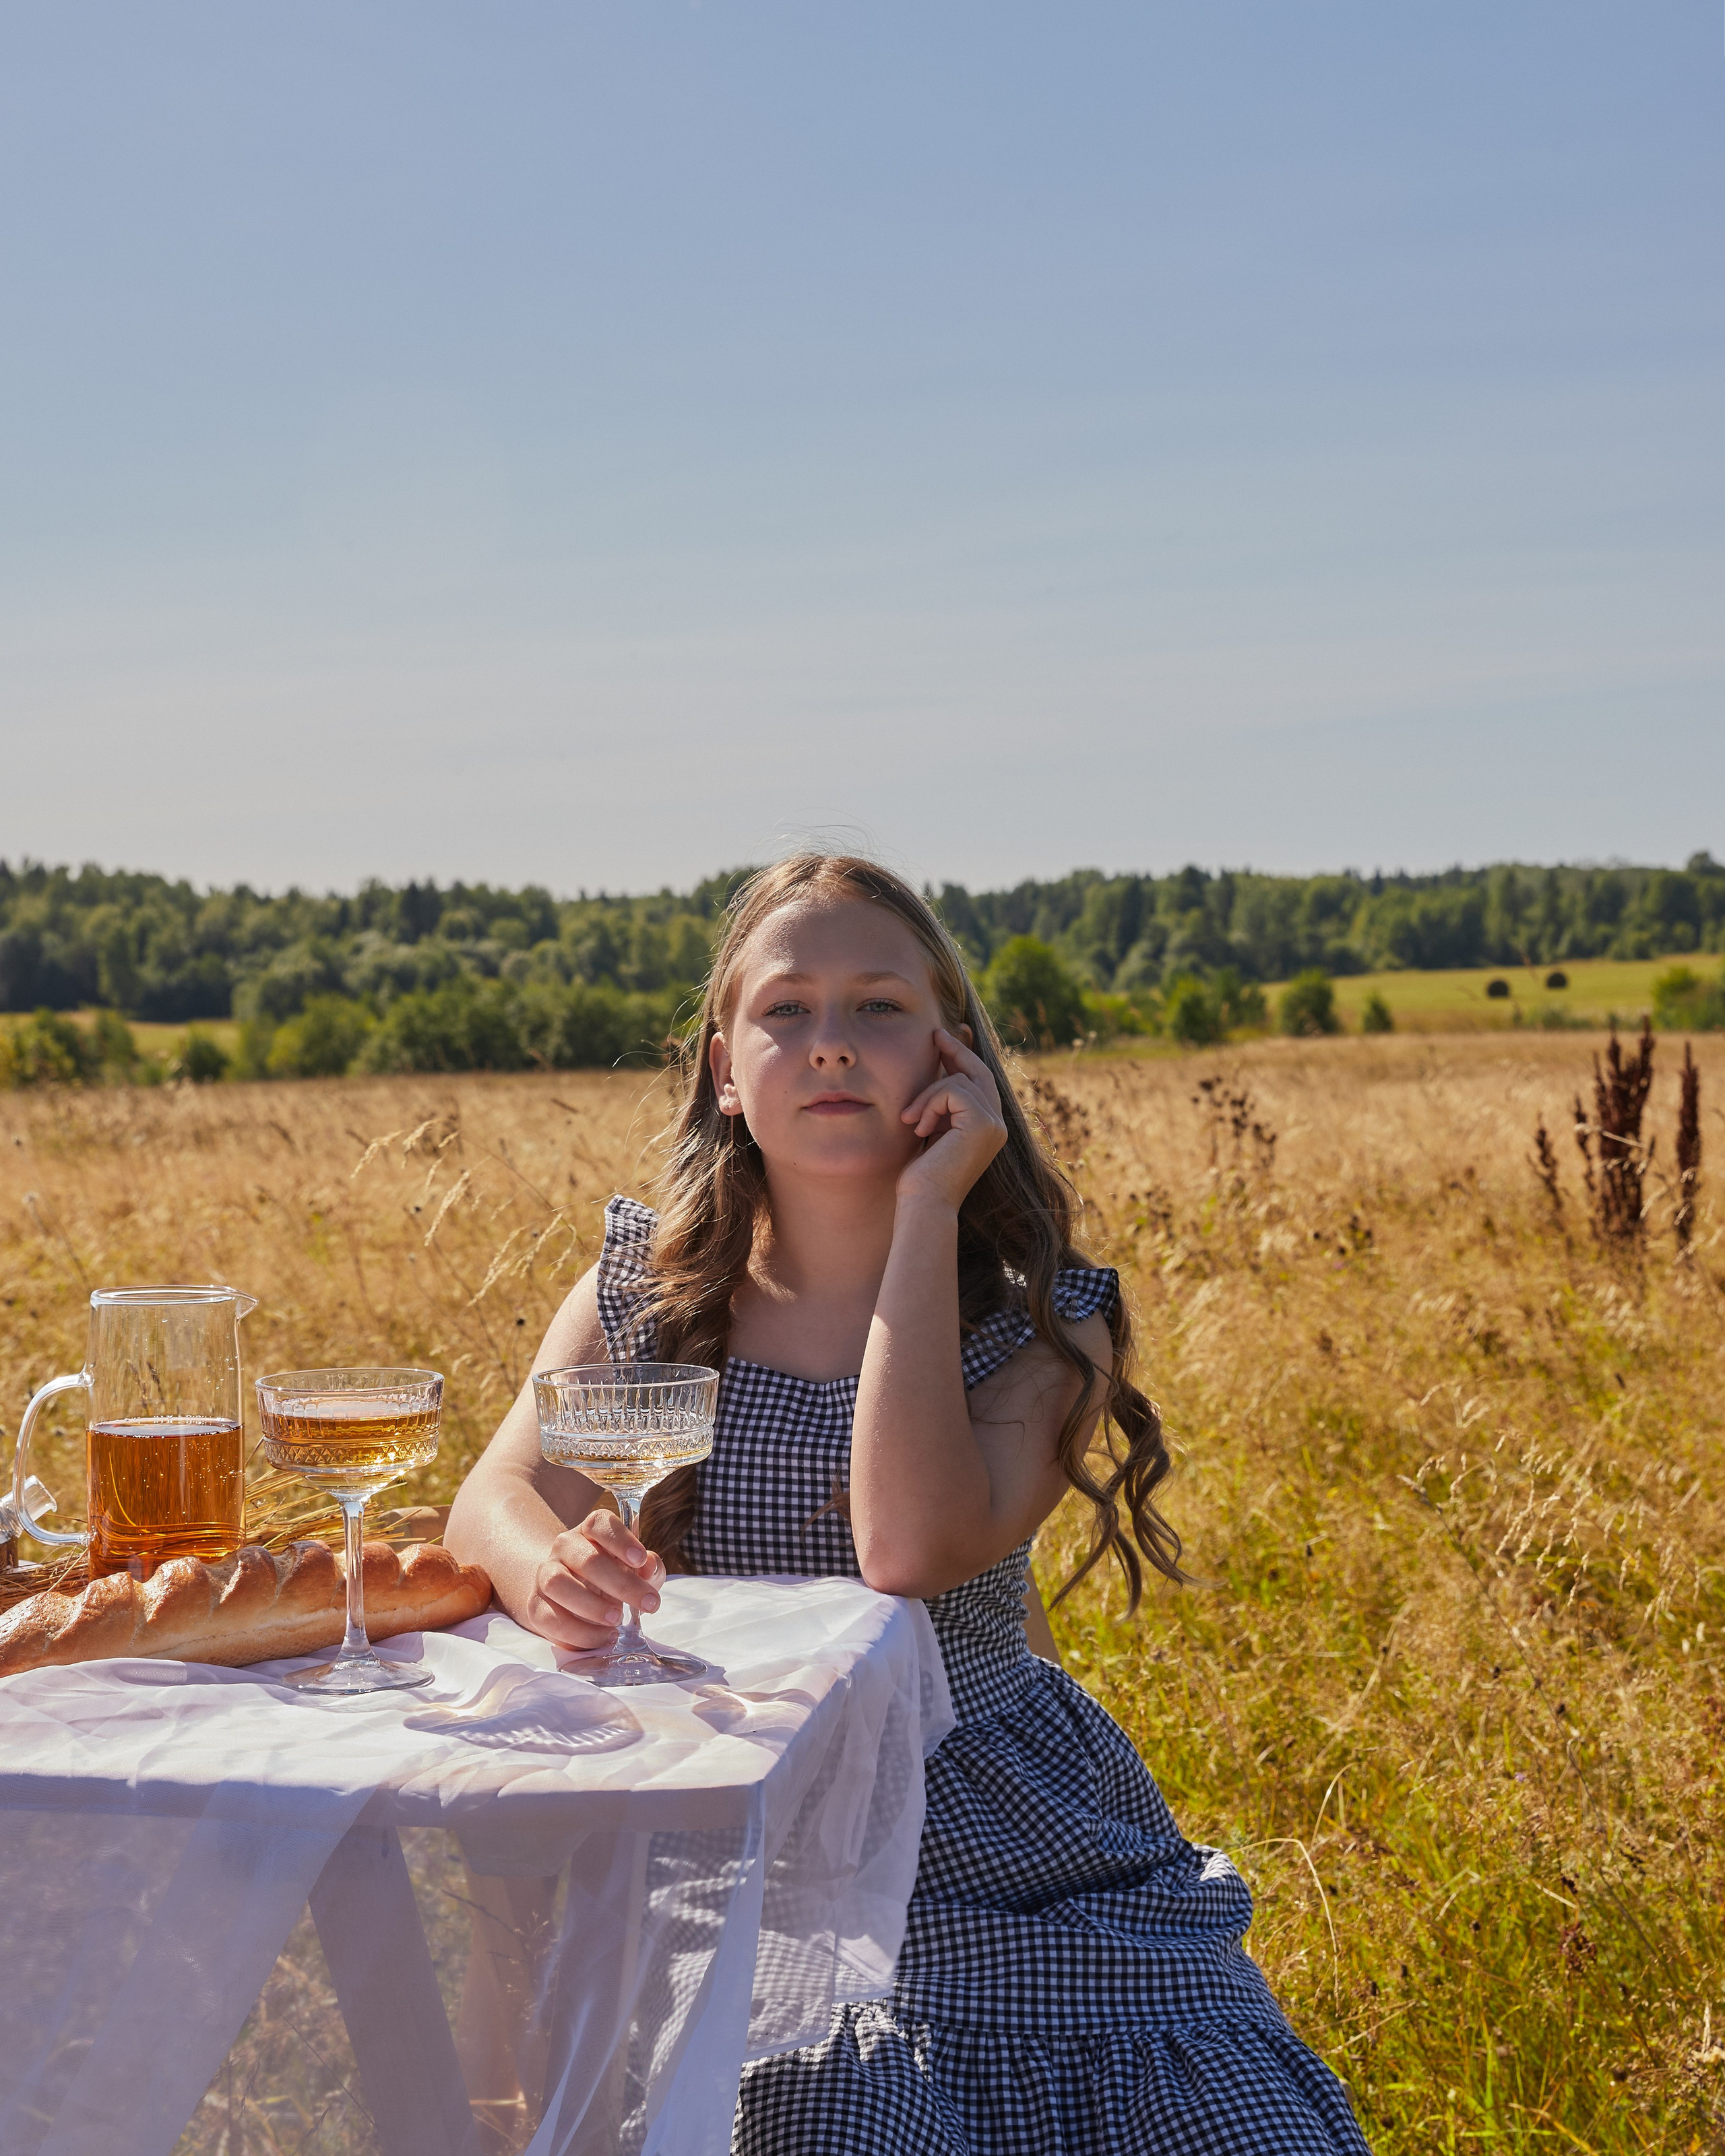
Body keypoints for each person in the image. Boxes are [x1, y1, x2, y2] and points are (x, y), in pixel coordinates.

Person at [446, 854, 1373, 2156]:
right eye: (786, 1012)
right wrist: (549, 1570)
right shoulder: (642, 1301)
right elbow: (489, 1498)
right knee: (828, 2111)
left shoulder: (1043, 1326)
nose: (831, 1047)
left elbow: (907, 1545)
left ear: (954, 1056)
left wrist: (929, 1212)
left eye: (879, 1008)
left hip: (1011, 1826)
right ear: (724, 1069)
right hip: (748, 1817)